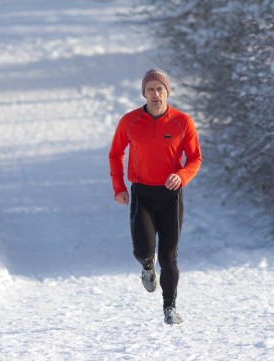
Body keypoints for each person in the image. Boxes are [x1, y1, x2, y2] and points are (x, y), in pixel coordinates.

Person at [108, 68, 202, 325]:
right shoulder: (130, 121)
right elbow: (115, 154)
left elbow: (195, 158)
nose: (156, 93)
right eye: (150, 89)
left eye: (160, 89)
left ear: (167, 92)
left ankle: (170, 307)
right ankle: (147, 267)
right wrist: (119, 187)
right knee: (143, 249)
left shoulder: (182, 122)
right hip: (142, 194)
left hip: (171, 195)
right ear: (144, 93)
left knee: (169, 254)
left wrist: (181, 176)